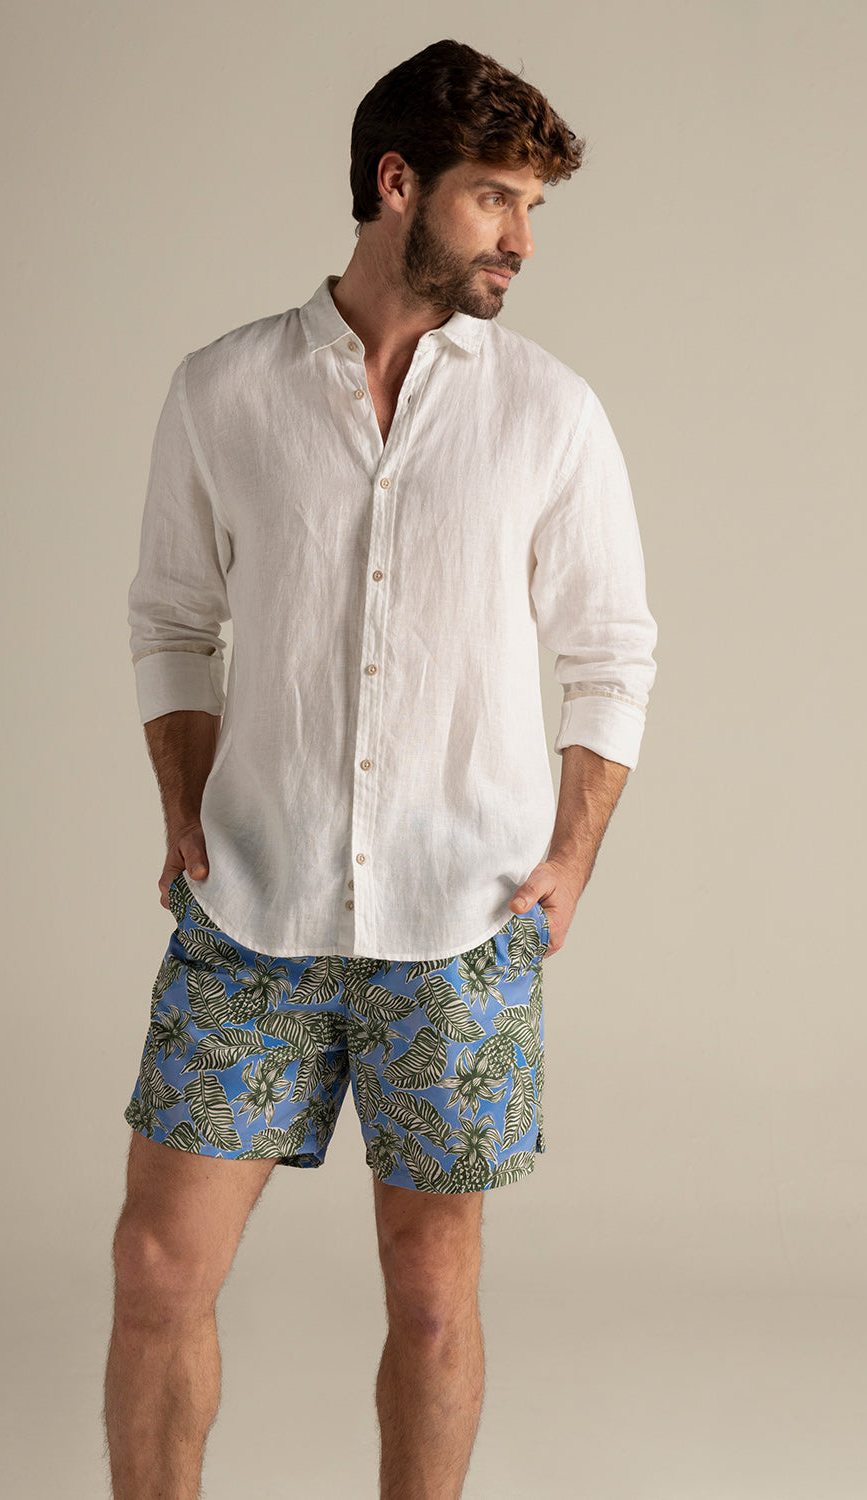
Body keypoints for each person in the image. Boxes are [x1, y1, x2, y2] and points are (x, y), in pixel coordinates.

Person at [103, 36, 658, 1500]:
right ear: (398, 183)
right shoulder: (224, 390)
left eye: (533, 208)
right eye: (495, 200)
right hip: (250, 914)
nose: (520, 241)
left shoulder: (549, 411)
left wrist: (572, 858)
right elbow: (173, 620)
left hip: (462, 926)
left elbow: (613, 651)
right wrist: (182, 800)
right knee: (157, 1267)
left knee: (429, 1297)